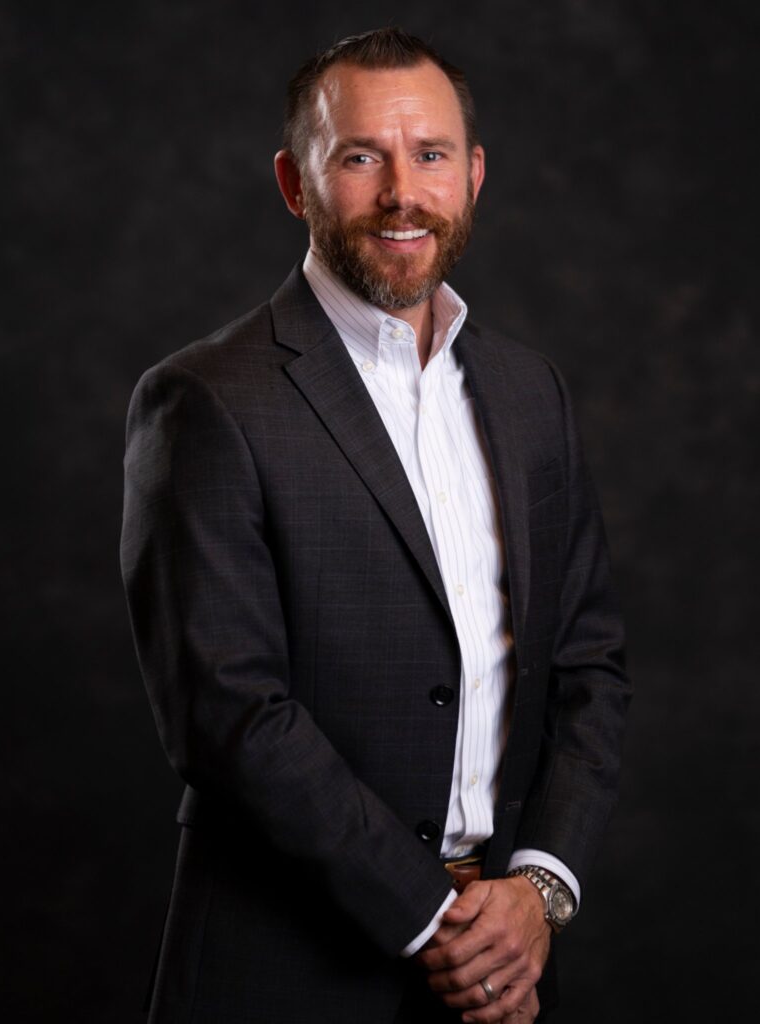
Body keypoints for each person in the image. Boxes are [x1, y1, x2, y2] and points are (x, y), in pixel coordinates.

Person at [121, 27, 630, 1024]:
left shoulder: (531, 393)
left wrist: (539, 891)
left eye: (431, 154)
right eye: (361, 157)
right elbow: (228, 713)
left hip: (507, 954)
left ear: (473, 174)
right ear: (294, 182)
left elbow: (591, 665)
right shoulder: (205, 400)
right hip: (284, 965)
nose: (403, 190)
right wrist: (437, 916)